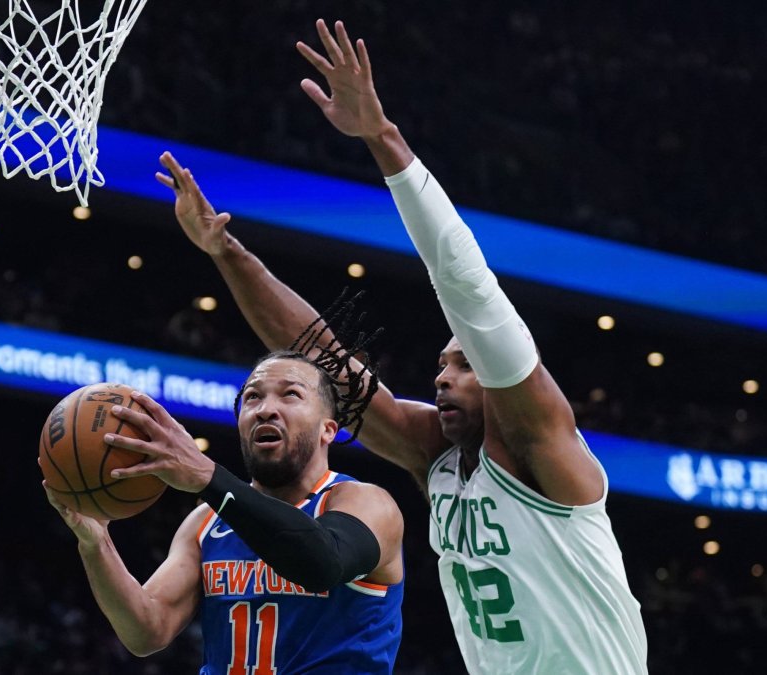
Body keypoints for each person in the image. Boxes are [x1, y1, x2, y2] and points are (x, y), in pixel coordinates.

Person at [152, 18, 648, 674]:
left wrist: (382, 139)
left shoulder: (541, 442)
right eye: (440, 364)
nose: (442, 377)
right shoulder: (433, 454)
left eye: (464, 364)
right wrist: (227, 252)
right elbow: (315, 352)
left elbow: (466, 286)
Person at [42, 313, 405, 674]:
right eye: (252, 398)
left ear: (328, 430)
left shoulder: (364, 502)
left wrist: (206, 476)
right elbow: (147, 630)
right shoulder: (207, 522)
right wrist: (96, 544)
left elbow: (321, 564)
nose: (266, 409)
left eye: (291, 395)